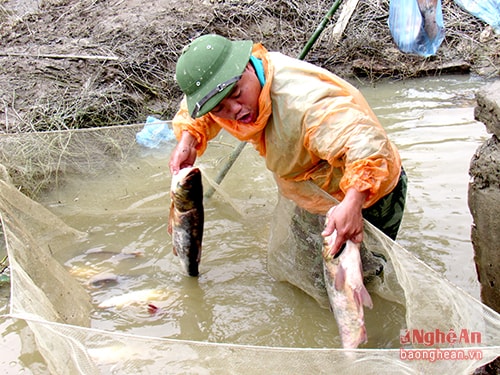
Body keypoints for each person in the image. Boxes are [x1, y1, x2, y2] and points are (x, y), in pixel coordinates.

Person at [169, 34, 407, 265]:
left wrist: (353, 203)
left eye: (237, 94)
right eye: (220, 108)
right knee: (307, 265)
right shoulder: (227, 86)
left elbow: (368, 144)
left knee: (362, 272)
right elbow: (200, 108)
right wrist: (188, 140)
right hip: (312, 188)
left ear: (249, 67)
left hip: (369, 192)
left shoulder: (303, 104)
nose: (235, 110)